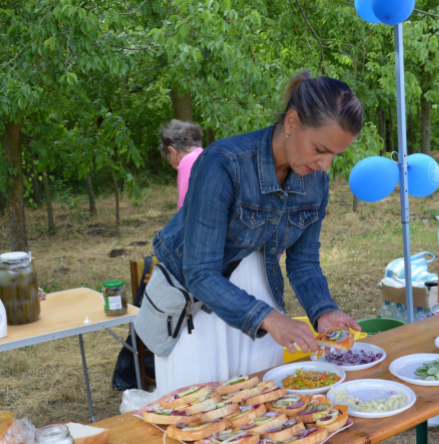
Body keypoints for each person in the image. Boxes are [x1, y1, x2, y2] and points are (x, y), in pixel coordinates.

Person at [152, 71, 362, 399]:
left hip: (262, 306)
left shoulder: (316, 182)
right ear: (292, 122)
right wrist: (271, 319)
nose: (325, 165)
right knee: (200, 413)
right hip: (197, 310)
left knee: (264, 407)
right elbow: (200, 272)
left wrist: (324, 310)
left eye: (335, 155)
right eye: (320, 149)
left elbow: (304, 261)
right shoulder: (224, 163)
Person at [159, 119, 204, 210]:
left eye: (169, 161)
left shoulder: (188, 161)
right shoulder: (207, 155)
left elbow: (185, 209)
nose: (174, 167)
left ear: (172, 151)